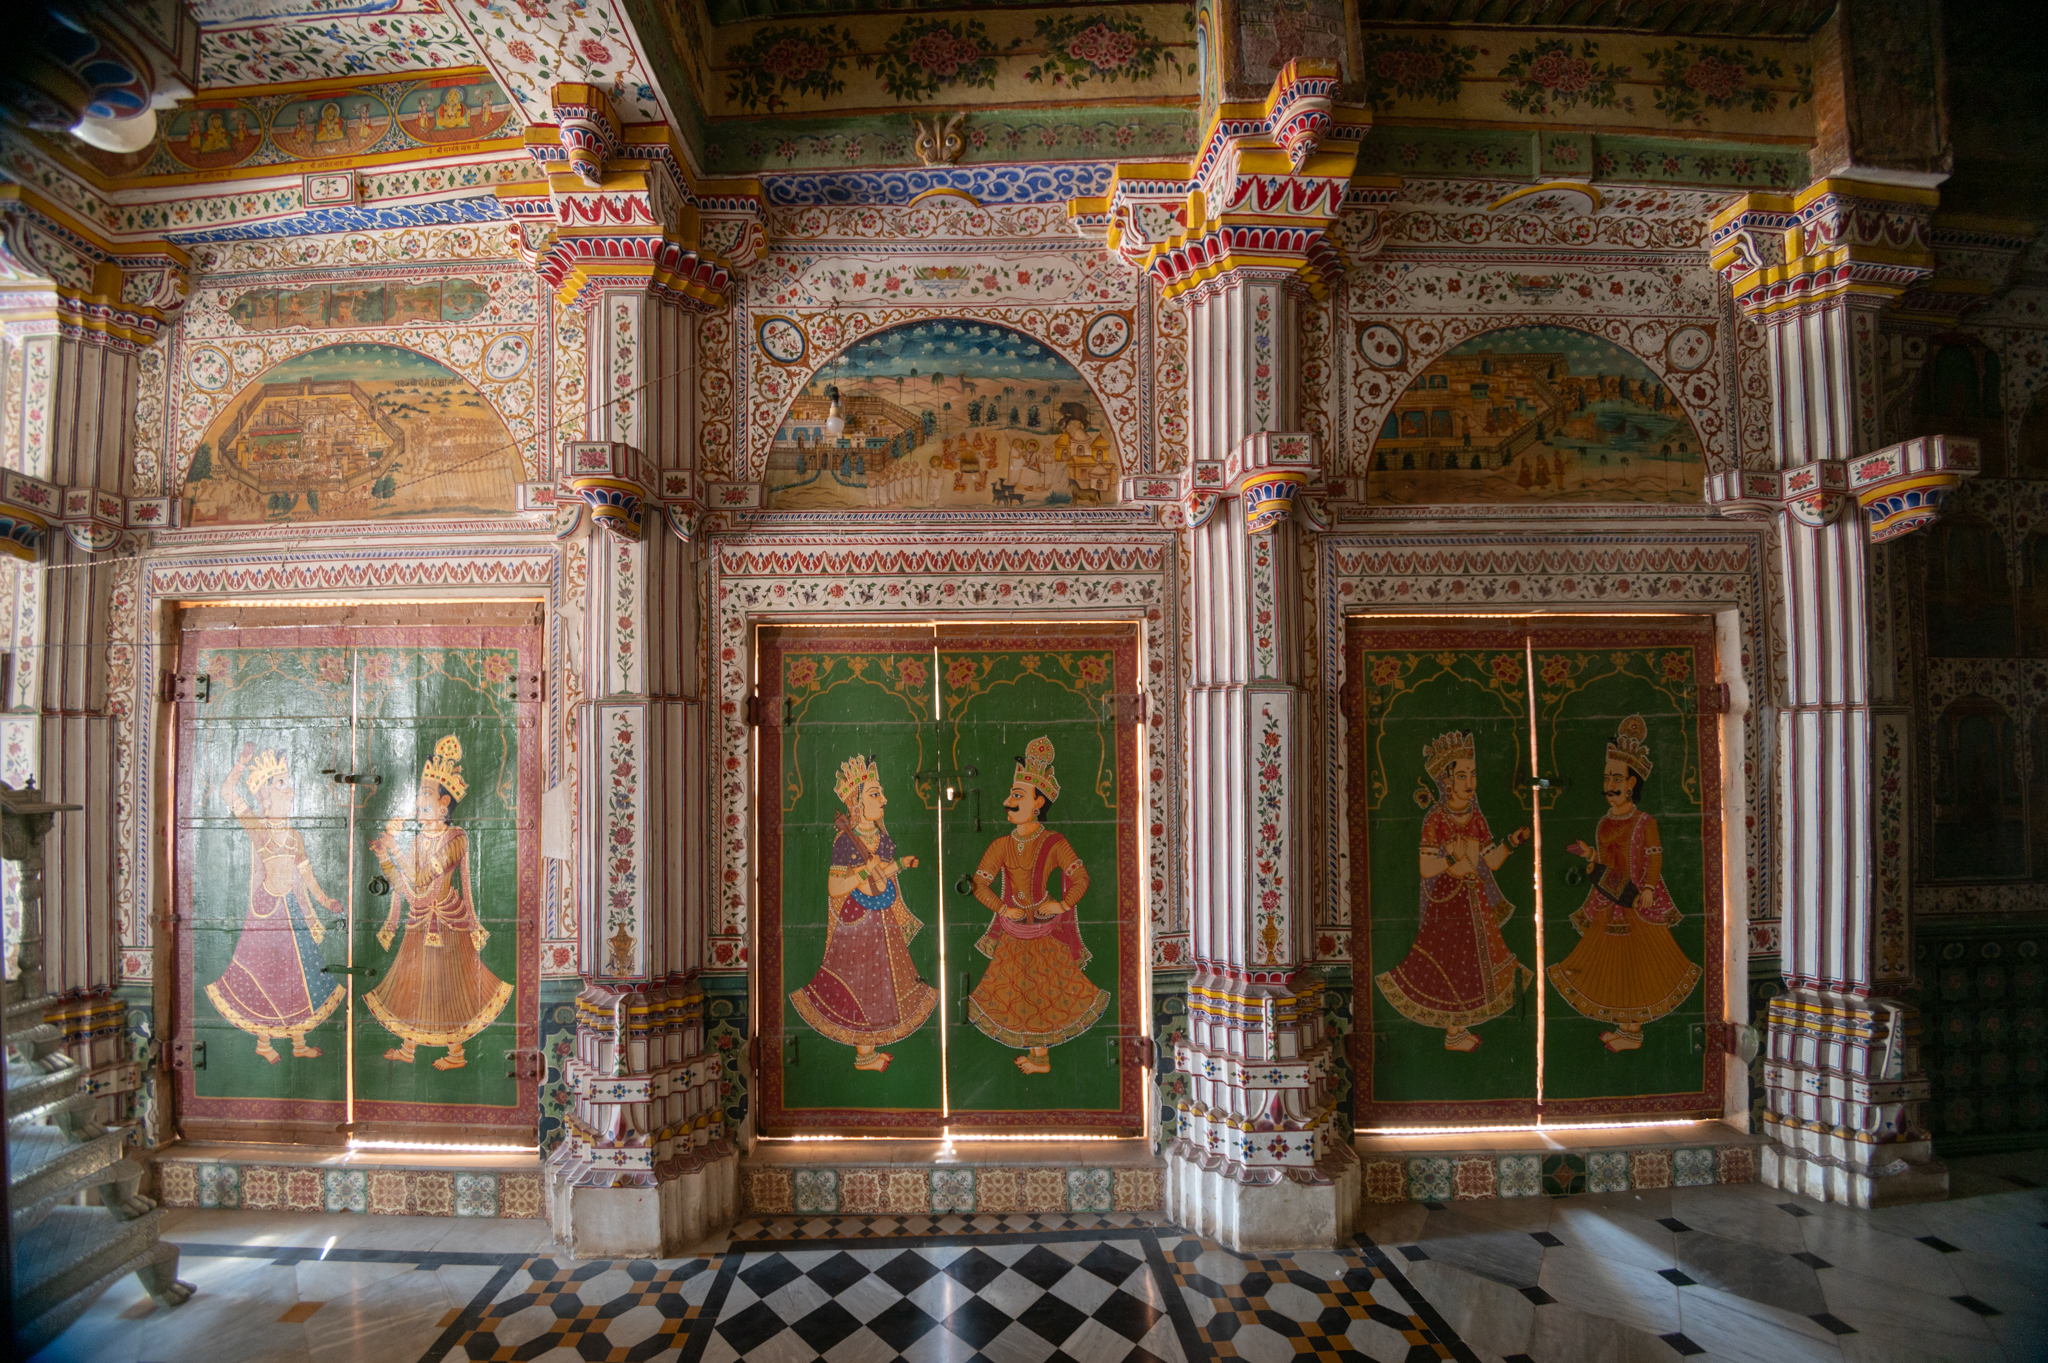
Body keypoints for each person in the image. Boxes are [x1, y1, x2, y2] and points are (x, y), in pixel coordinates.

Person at [1548, 716, 1702, 1052]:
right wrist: (1590, 855)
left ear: (1632, 782)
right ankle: (1625, 1028)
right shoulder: (1604, 823)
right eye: (1606, 779)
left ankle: (1634, 1031)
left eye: (1617, 779)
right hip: (1610, 899)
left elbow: (1655, 858)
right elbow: (1606, 863)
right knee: (1614, 964)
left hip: (1637, 903)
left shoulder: (1645, 821)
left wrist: (1647, 889)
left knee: (1641, 964)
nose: (1610, 785)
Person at [1375, 731, 1533, 1051]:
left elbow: (1491, 860)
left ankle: (1458, 1029)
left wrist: (1512, 842)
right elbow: (1425, 867)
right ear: (1447, 781)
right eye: (1461, 775)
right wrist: (1449, 857)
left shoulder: (1475, 817)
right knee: (1449, 963)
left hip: (1474, 903)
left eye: (1472, 774)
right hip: (1445, 905)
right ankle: (1453, 1032)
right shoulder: (1435, 818)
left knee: (1472, 965)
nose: (1469, 781)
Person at [362, 736, 512, 1071]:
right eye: (419, 793)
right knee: (413, 983)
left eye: (425, 794)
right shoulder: (418, 840)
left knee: (449, 985)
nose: (418, 801)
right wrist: (387, 856)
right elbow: (404, 885)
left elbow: (423, 877)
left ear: (444, 801)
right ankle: (409, 1046)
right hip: (419, 920)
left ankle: (456, 1054)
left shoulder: (456, 838)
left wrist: (396, 849)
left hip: (447, 922)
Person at [964, 737, 1109, 1075]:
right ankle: (1036, 1057)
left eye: (1017, 796)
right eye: (1011, 795)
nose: (1007, 802)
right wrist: (1002, 909)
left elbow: (1081, 878)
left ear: (1038, 802)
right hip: (1014, 930)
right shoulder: (1001, 845)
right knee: (1013, 994)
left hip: (1046, 928)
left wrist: (1063, 905)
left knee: (1049, 995)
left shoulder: (1054, 842)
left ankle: (1040, 1059)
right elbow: (978, 884)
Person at [788, 755, 938, 1072]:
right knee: (859, 985)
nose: (883, 799)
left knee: (883, 985)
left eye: (881, 793)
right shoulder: (845, 840)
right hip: (855, 923)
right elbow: (834, 887)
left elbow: (881, 877)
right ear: (856, 803)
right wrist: (861, 874)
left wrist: (899, 864)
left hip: (882, 920)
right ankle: (864, 1055)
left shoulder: (881, 839)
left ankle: (867, 1053)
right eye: (874, 794)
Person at [204, 746, 346, 1063]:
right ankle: (264, 1044)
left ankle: (297, 1043)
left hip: (291, 912)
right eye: (282, 784)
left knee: (299, 976)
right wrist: (240, 763)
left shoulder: (294, 836)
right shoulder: (259, 828)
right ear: (266, 796)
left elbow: (304, 877)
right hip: (265, 911)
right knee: (264, 974)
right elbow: (227, 791)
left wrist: (324, 901)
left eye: (289, 782)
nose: (291, 790)